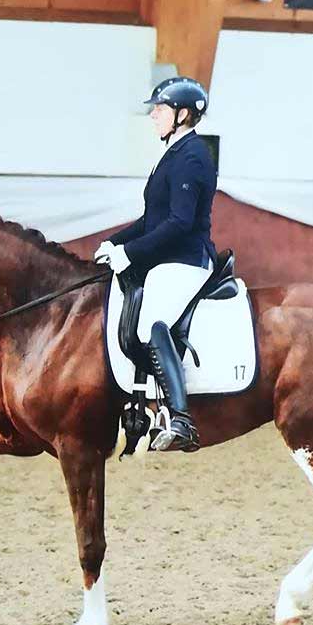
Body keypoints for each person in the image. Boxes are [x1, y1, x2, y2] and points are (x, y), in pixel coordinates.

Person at [94, 76, 217, 452]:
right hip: (167, 258)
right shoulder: (174, 153)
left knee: (151, 323)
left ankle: (180, 419)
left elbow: (180, 223)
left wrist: (130, 254)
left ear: (182, 114)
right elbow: (151, 221)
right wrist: (114, 242)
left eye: (160, 110)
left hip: (186, 260)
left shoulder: (193, 155)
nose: (153, 116)